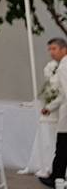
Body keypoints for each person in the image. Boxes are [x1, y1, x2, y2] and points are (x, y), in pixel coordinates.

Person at [40, 38, 67, 187]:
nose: (51, 53)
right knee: (63, 147)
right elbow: (63, 94)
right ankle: (57, 176)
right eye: (49, 49)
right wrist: (50, 107)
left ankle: (56, 178)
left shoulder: (63, 67)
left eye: (54, 49)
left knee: (62, 147)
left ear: (64, 49)